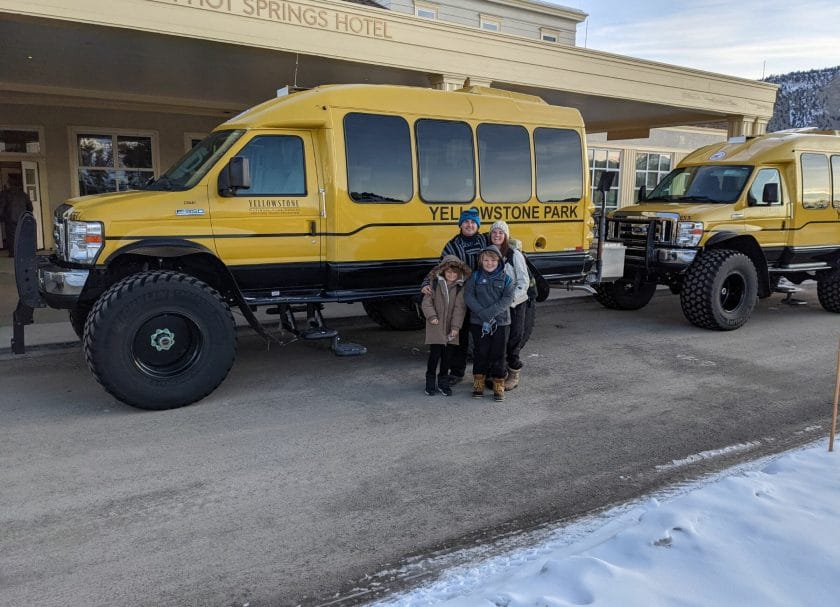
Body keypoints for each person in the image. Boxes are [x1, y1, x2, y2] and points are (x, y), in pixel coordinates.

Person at [421, 207, 487, 386]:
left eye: (473, 222)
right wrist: (426, 283)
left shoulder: (485, 239)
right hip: (462, 295)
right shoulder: (452, 245)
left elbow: (502, 249)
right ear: (460, 224)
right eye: (466, 221)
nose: (470, 224)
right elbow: (440, 268)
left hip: (484, 294)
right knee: (460, 334)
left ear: (478, 225)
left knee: (485, 334)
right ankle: (457, 372)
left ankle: (487, 373)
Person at [464, 244, 514, 401]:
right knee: (480, 352)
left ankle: (499, 383)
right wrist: (482, 313)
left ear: (499, 261)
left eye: (493, 260)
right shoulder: (475, 277)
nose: (489, 263)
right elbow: (468, 297)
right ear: (481, 261)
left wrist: (488, 314)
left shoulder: (506, 279)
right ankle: (479, 382)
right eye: (486, 260)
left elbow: (507, 300)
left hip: (501, 323)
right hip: (479, 323)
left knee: (499, 353)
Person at [489, 221, 531, 391]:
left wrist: (510, 300)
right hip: (497, 305)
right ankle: (498, 373)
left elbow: (523, 281)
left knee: (514, 337)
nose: (497, 235)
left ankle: (513, 374)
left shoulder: (515, 255)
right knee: (498, 340)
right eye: (494, 232)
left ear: (506, 236)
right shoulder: (489, 254)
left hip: (515, 304)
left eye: (501, 232)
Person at [420, 255, 470, 396]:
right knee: (434, 356)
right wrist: (432, 316)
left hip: (451, 329)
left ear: (459, 273)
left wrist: (455, 327)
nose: (452, 275)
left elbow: (460, 309)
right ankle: (430, 382)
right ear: (442, 271)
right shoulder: (434, 283)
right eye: (448, 272)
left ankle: (443, 381)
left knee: (447, 358)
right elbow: (426, 303)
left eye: (455, 272)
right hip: (435, 326)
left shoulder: (460, 288)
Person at [1, 177, 33, 257]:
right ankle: (23, 251)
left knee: (12, 237)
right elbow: (30, 207)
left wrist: (1, 218)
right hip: (22, 218)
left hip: (10, 219)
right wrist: (27, 216)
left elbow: (1, 207)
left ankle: (13, 253)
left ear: (8, 184)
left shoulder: (5, 194)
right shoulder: (24, 194)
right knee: (22, 235)